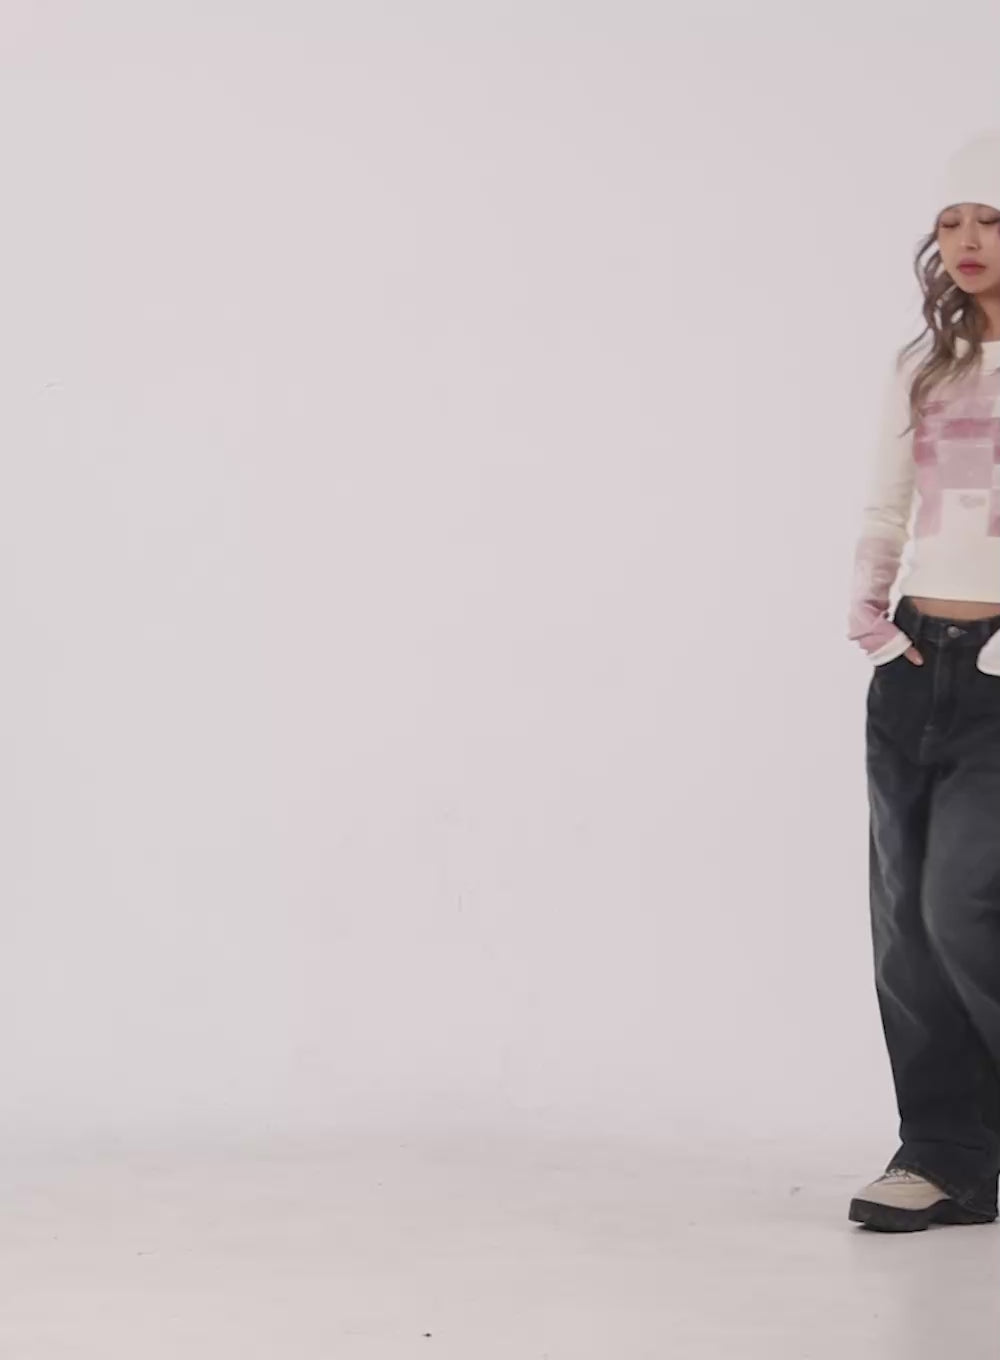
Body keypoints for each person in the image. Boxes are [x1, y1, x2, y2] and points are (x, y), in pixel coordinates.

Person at [847, 131, 1000, 1232]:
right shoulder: (925, 365)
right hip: (912, 660)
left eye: (990, 219)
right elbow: (888, 499)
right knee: (904, 923)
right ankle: (945, 1153)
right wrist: (869, 611)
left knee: (961, 908)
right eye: (951, 222)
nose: (967, 240)